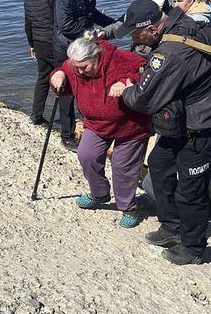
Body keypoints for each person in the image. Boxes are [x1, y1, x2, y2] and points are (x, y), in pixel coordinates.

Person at [109, 0, 211, 265]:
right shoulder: (182, 23)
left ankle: (193, 246)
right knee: (160, 163)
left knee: (191, 188)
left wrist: (124, 90)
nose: (134, 39)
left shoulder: (170, 51)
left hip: (204, 125)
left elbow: (142, 99)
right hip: (184, 118)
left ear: (152, 29)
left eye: (136, 33)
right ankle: (172, 225)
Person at [49, 33, 150, 228]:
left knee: (122, 167)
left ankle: (128, 208)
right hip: (96, 124)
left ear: (96, 56)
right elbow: (64, 75)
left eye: (84, 67)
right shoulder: (74, 66)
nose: (79, 71)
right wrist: (58, 75)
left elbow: (145, 72)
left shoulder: (120, 58)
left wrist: (125, 82)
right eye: (75, 67)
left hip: (130, 125)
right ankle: (99, 193)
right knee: (87, 154)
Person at [52, 0, 116, 148]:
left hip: (84, 43)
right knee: (67, 91)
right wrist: (91, 34)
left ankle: (90, 127)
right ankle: (66, 135)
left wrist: (112, 24)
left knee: (89, 85)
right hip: (65, 45)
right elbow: (65, 25)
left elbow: (92, 13)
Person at [24, 0, 61, 125]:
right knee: (64, 77)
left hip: (38, 43)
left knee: (43, 79)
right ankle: (69, 124)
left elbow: (28, 24)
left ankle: (36, 114)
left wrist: (32, 44)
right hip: (52, 43)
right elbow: (60, 21)